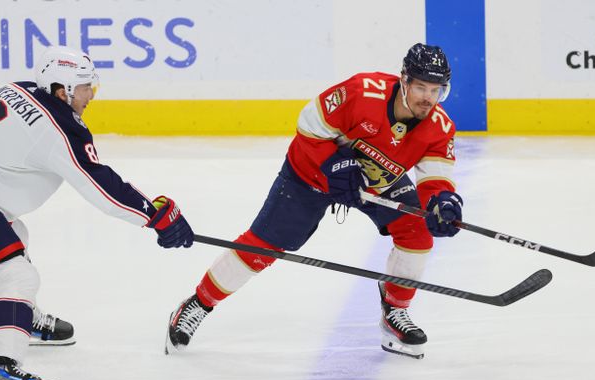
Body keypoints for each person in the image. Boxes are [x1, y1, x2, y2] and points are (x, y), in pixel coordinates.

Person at [0, 46, 194, 380]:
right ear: (62, 90)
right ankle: (5, 374)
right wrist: (155, 216)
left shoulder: (21, 86)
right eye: (84, 87)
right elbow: (100, 186)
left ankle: (23, 318)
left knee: (16, 239)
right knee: (17, 276)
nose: (91, 95)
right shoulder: (59, 128)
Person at [165, 43, 462, 359]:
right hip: (310, 174)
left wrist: (441, 203)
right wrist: (332, 164)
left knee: (417, 232)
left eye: (436, 90)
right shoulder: (362, 92)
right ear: (403, 80)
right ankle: (198, 304)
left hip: (376, 181)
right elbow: (309, 124)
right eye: (420, 87)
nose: (428, 98)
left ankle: (395, 311)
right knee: (262, 246)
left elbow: (436, 179)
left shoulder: (439, 127)